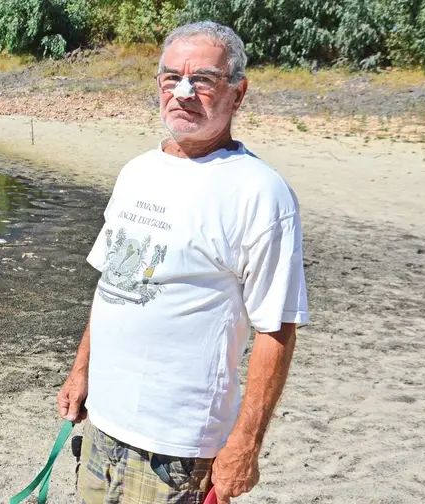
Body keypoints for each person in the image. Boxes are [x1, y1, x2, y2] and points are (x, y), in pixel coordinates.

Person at [57, 21, 309, 504]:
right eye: (171, 78)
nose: (184, 92)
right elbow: (114, 281)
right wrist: (81, 370)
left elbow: (276, 328)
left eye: (205, 79)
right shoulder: (137, 171)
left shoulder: (260, 193)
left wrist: (246, 444)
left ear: (238, 93)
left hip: (179, 451)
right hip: (102, 429)